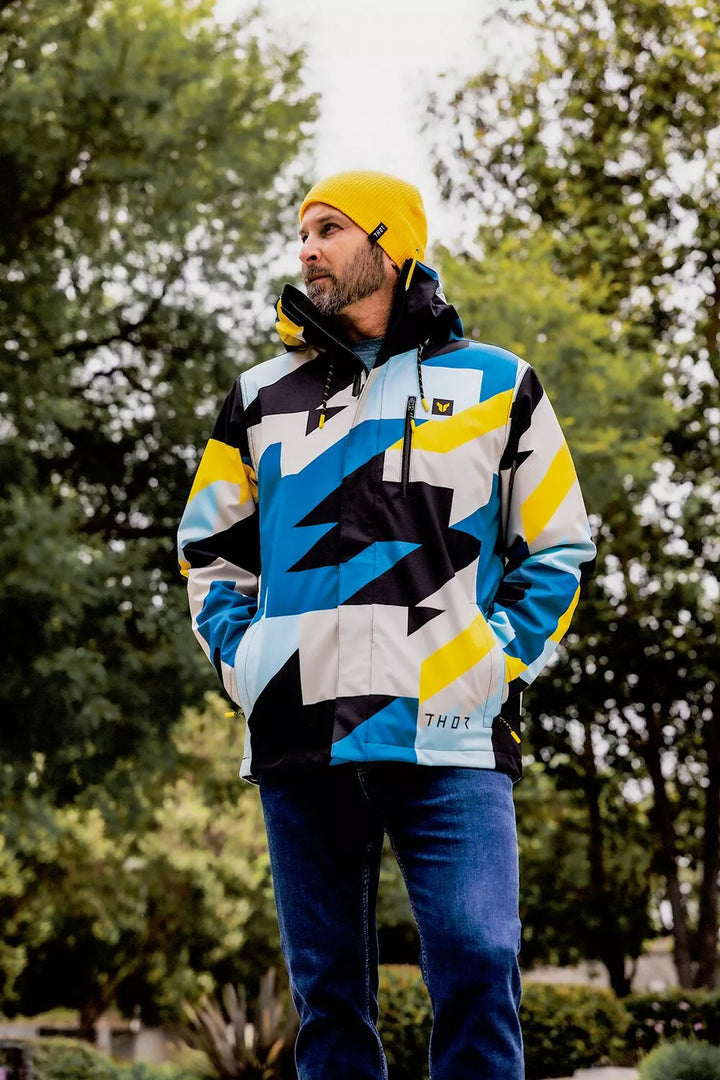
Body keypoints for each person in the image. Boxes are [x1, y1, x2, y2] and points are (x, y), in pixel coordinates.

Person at [177, 170, 596, 1080]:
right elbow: (210, 552)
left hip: (452, 727)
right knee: (328, 994)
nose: (307, 250)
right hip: (300, 730)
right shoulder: (260, 396)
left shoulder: (499, 384)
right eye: (302, 233)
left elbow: (558, 548)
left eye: (329, 229)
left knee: (480, 956)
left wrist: (491, 664)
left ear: (389, 244)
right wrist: (249, 665)